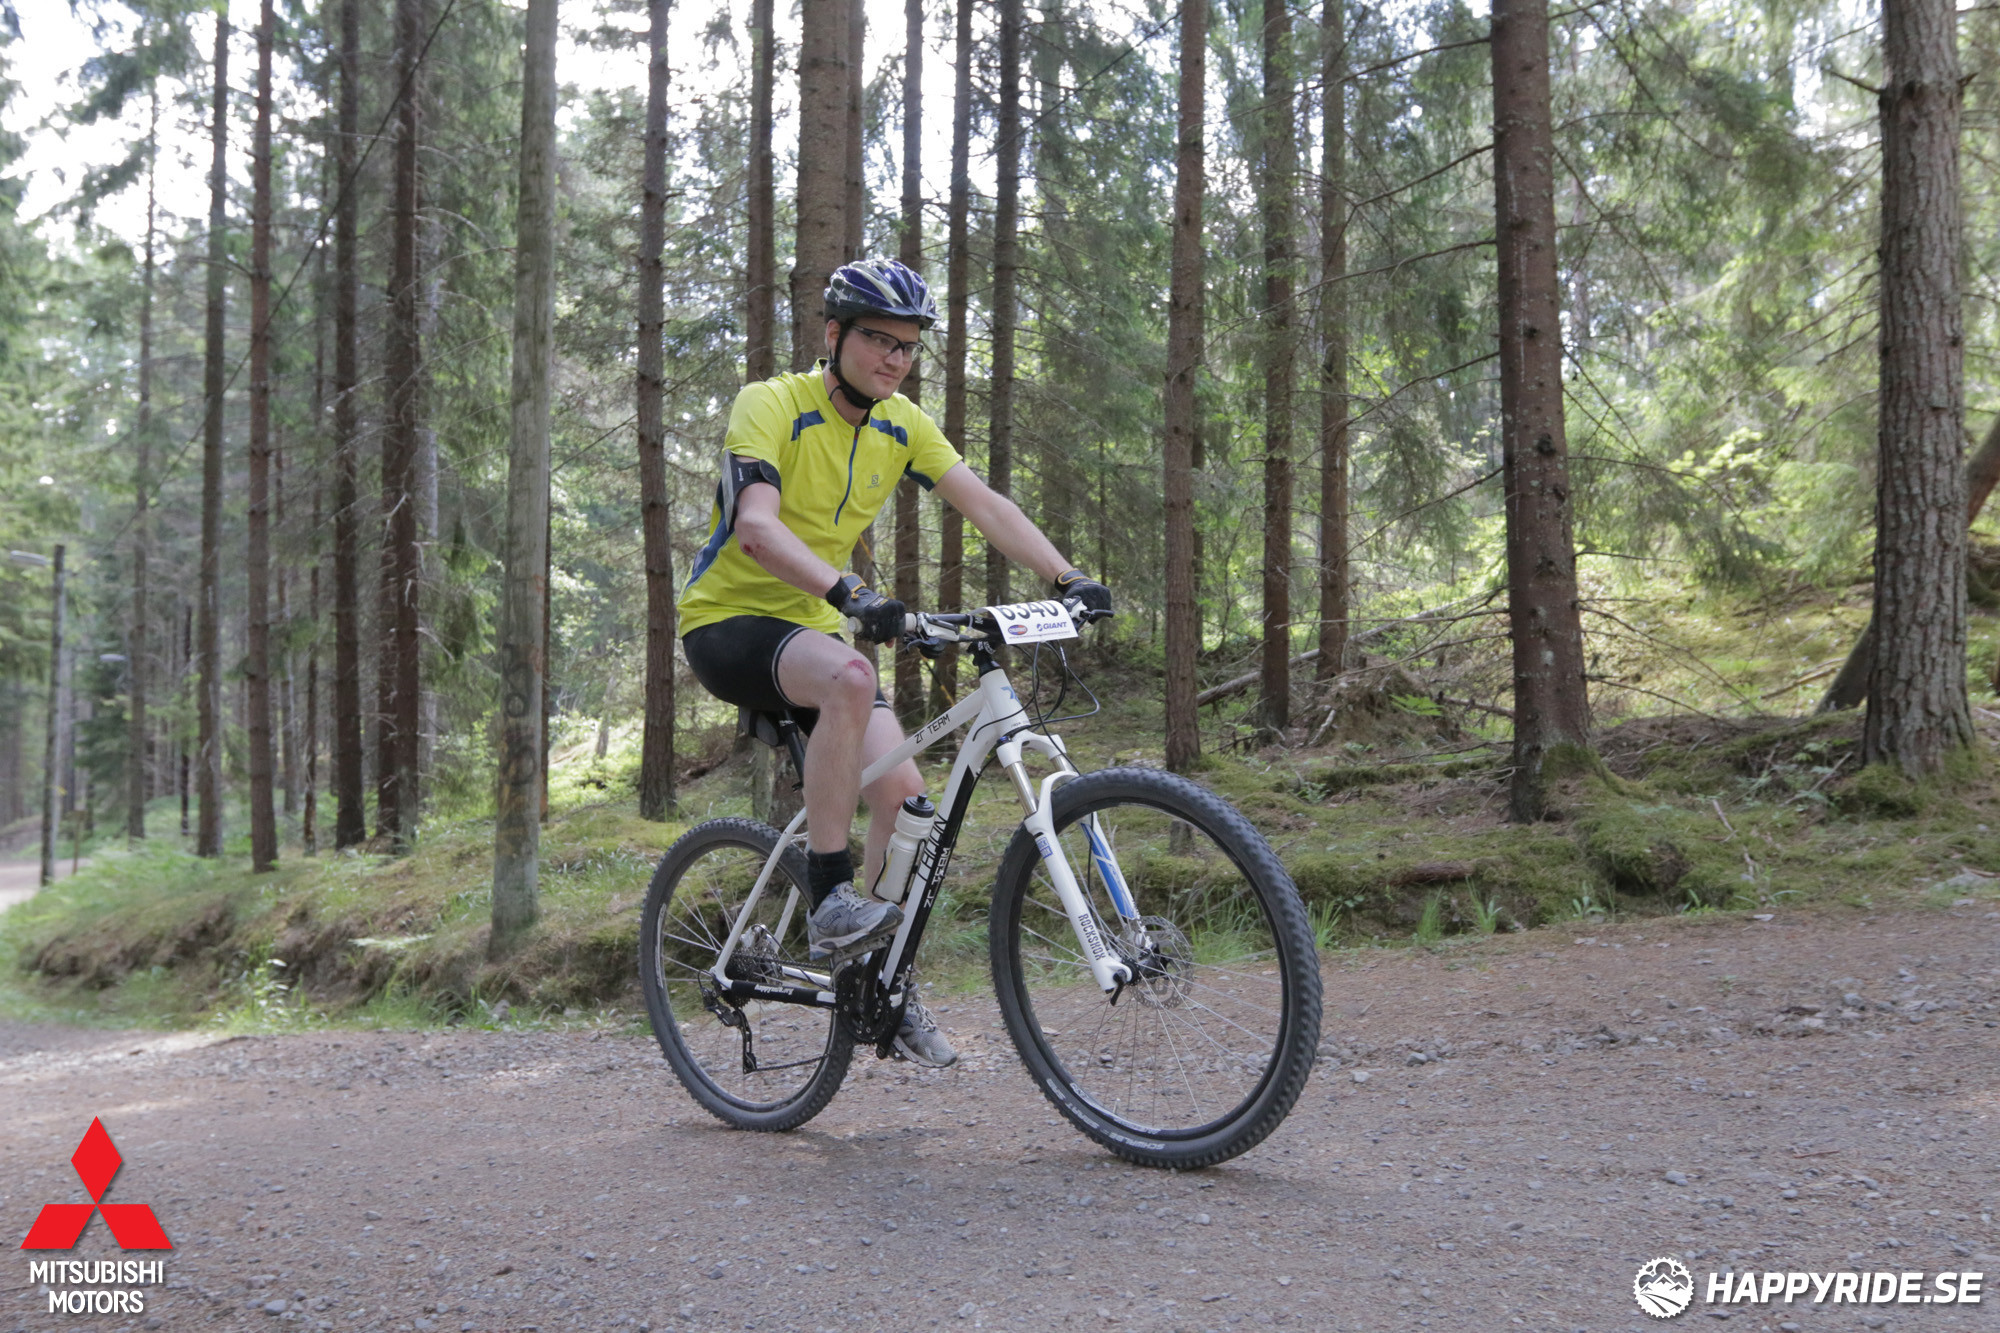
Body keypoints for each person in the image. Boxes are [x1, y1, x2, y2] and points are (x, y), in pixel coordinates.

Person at [676, 257, 1111, 1068]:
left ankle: (877, 982)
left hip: (815, 628)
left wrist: (1067, 577)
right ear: (833, 335)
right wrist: (850, 592)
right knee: (852, 675)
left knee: (908, 802)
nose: (895, 358)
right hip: (729, 621)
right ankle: (830, 896)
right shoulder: (772, 403)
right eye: (878, 339)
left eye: (908, 345)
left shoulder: (901, 423)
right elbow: (756, 528)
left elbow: (984, 504)